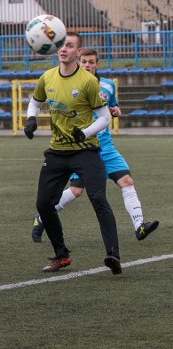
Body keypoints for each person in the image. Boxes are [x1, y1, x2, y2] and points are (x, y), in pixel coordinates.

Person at [31, 48, 158, 243]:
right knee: (76, 190)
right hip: (82, 148)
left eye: (91, 62)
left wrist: (115, 111)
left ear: (97, 65)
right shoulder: (74, 83)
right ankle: (42, 217)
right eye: (84, 62)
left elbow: (111, 109)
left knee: (126, 181)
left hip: (106, 146)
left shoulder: (107, 85)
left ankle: (139, 226)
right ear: (79, 63)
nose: (87, 65)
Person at [24, 31, 121, 275]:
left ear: (78, 52)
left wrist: (85, 133)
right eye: (61, 45)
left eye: (69, 46)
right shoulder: (47, 77)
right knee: (44, 204)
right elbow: (35, 101)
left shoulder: (88, 82)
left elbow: (104, 117)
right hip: (57, 153)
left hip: (86, 152)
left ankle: (113, 255)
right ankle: (62, 256)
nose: (63, 49)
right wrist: (30, 119)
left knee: (98, 199)